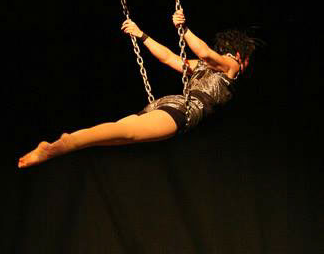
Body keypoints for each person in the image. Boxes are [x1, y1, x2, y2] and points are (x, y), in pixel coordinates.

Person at [18, 9, 257, 167]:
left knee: (118, 135)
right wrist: (181, 30)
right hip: (183, 111)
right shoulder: (232, 66)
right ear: (239, 55)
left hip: (169, 104)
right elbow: (202, 52)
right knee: (124, 133)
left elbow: (170, 58)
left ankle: (68, 143)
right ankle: (64, 144)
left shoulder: (207, 67)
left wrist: (142, 35)